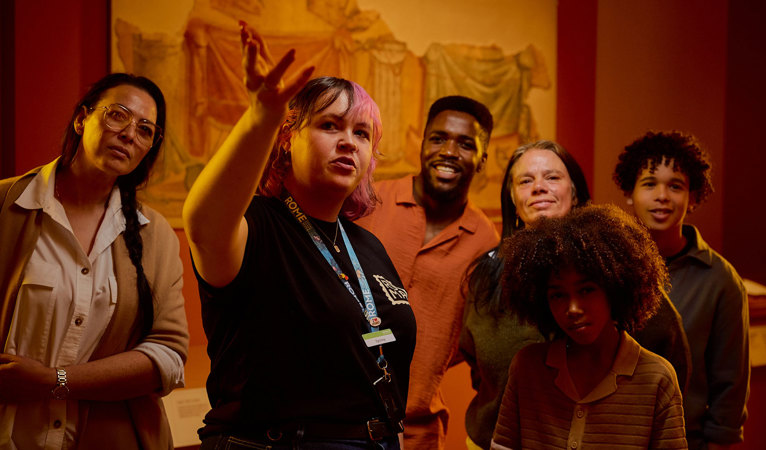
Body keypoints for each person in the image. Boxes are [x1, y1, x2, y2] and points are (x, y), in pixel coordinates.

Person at [183, 22, 416, 449]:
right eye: (330, 126)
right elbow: (201, 222)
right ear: (288, 139)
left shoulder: (367, 245)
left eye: (361, 133)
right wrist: (263, 115)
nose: (349, 142)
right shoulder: (256, 225)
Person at [460, 140, 690, 449]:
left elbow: (667, 360)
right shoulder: (487, 273)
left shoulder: (616, 268)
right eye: (526, 180)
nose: (539, 187)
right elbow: (475, 359)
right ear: (512, 198)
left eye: (552, 177)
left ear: (576, 191)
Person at [0, 73, 189, 449]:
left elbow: (168, 357)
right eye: (118, 115)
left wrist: (55, 380)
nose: (130, 134)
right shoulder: (8, 206)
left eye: (146, 129)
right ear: (82, 118)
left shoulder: (156, 234)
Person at [355, 96, 499, 449]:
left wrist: (428, 361)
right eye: (438, 138)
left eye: (466, 144)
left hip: (417, 429)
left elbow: (474, 336)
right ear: (422, 144)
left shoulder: (486, 241)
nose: (449, 151)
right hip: (336, 421)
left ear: (481, 159)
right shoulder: (367, 201)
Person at [491, 204, 687, 450]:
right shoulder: (527, 368)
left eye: (586, 290)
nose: (572, 308)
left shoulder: (657, 379)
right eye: (558, 295)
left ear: (615, 287)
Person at [613, 131, 749, 450]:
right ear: (630, 193)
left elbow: (730, 386)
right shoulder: (606, 265)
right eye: (649, 183)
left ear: (693, 196)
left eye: (676, 186)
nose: (662, 195)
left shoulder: (720, 280)